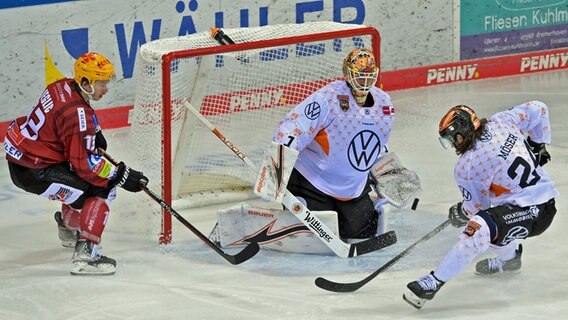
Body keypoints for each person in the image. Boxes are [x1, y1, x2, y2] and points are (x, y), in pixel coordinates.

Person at [3, 52, 148, 275]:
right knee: (102, 188)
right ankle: (86, 255)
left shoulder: (61, 86)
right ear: (84, 82)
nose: (106, 87)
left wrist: (95, 131)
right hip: (36, 170)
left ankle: (69, 228)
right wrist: (121, 175)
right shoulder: (76, 115)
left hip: (26, 156)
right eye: (101, 83)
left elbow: (76, 118)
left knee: (80, 181)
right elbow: (86, 166)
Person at [403, 102, 558, 309]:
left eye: (451, 139)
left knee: (479, 227)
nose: (453, 145)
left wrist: (461, 212)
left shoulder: (467, 166)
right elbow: (538, 108)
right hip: (544, 201)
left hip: (535, 212)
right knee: (493, 223)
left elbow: (477, 209)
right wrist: (538, 144)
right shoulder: (501, 120)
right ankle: (510, 260)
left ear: (461, 134)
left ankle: (434, 281)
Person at [272, 47, 395, 240]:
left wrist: (388, 175)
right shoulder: (327, 98)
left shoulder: (385, 104)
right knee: (313, 239)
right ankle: (298, 202)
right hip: (312, 183)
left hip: (352, 188)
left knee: (363, 235)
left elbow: (377, 146)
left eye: (369, 76)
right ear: (346, 74)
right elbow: (291, 128)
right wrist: (275, 171)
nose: (364, 81)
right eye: (359, 75)